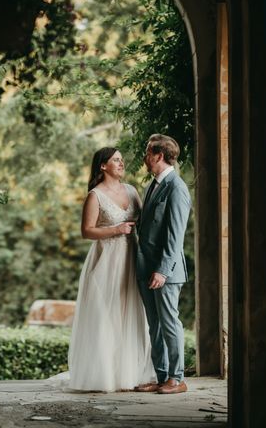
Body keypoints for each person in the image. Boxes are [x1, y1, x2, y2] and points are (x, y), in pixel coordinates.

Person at [66, 146, 156, 392]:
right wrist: (116, 230)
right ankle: (104, 375)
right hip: (107, 261)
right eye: (115, 160)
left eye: (121, 159)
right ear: (102, 166)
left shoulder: (131, 191)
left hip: (132, 257)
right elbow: (87, 231)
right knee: (107, 314)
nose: (121, 163)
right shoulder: (95, 196)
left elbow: (144, 221)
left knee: (131, 313)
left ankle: (130, 373)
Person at [134, 134, 192, 395]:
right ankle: (161, 377)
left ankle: (177, 379)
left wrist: (162, 271)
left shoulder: (176, 187)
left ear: (157, 156)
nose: (145, 157)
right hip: (146, 267)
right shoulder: (153, 185)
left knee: (169, 324)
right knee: (154, 325)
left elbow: (175, 235)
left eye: (148, 153)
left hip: (165, 272)